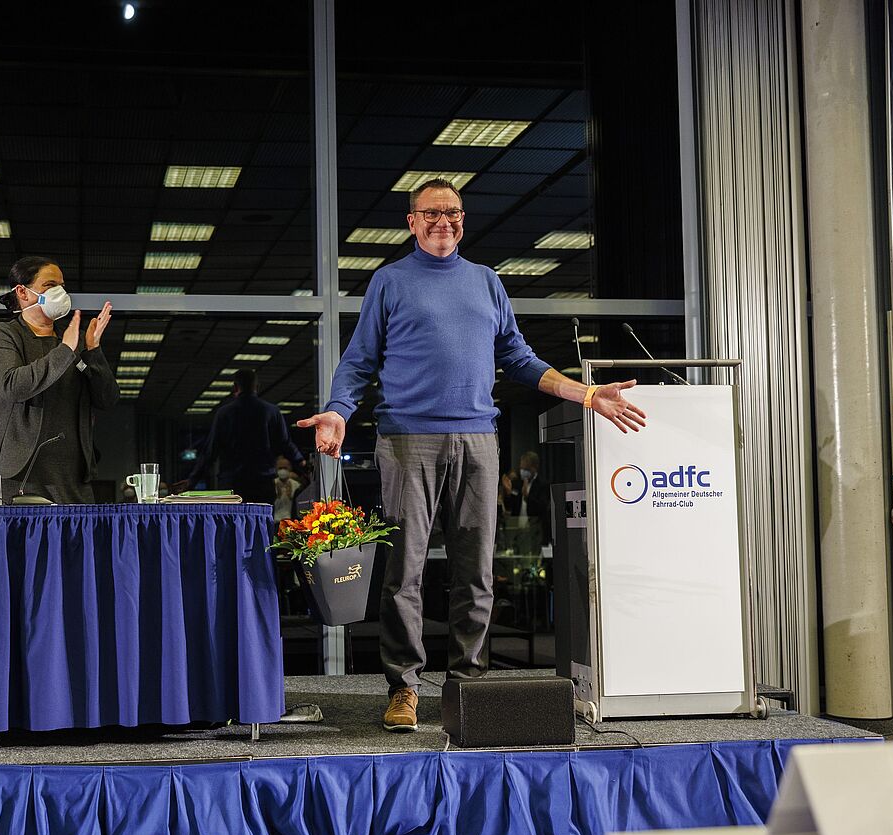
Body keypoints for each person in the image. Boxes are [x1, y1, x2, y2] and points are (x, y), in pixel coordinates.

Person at [297, 178, 646, 733]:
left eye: (453, 212)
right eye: (431, 212)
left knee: (477, 571)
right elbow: (359, 360)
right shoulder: (390, 282)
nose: (444, 220)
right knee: (404, 572)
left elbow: (520, 358)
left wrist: (585, 393)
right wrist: (339, 410)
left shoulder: (486, 282)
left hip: (479, 440)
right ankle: (404, 687)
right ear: (411, 222)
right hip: (408, 439)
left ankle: (468, 685)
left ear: (464, 219)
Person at [0, 256, 119, 503]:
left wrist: (93, 350)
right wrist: (66, 350)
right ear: (22, 291)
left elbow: (107, 399)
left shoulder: (72, 339)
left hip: (71, 477)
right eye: (50, 285)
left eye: (62, 286)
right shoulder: (3, 335)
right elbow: (14, 386)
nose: (60, 293)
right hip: (16, 474)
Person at [172, 369, 308, 505]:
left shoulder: (224, 414)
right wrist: (303, 466)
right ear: (257, 387)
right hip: (262, 483)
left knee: (232, 524)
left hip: (232, 485)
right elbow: (285, 444)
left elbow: (210, 451)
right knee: (261, 524)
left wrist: (192, 480)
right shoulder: (272, 412)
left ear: (235, 387)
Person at [502, 450, 552, 547]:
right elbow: (510, 507)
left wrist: (527, 497)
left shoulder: (543, 485)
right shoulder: (517, 483)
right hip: (518, 531)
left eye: (526, 468)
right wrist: (507, 493)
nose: (522, 471)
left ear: (534, 468)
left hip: (535, 532)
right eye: (521, 468)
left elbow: (542, 508)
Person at [272, 455, 303, 521]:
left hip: (290, 520)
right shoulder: (272, 484)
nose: (282, 470)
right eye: (280, 468)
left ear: (290, 468)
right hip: (275, 519)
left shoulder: (296, 485)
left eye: (285, 468)